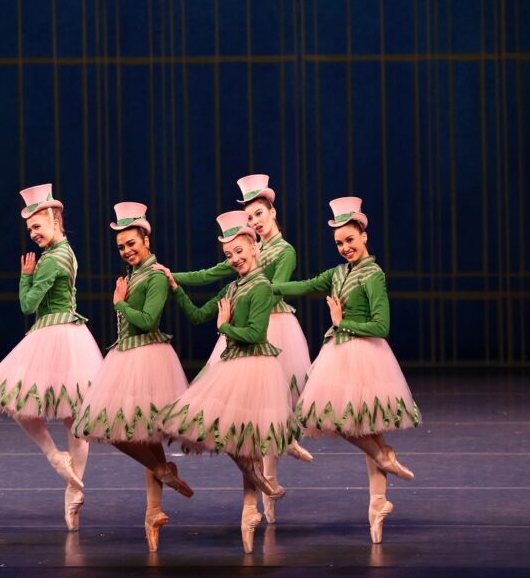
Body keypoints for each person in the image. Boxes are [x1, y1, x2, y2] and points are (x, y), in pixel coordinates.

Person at [272, 197, 421, 544]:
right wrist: (268, 284)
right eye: (339, 243)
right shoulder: (337, 273)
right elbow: (306, 286)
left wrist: (343, 323)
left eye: (350, 240)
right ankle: (384, 462)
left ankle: (378, 499)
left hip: (366, 355)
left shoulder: (373, 274)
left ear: (364, 236)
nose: (345, 248)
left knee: (353, 422)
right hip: (339, 354)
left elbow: (381, 325)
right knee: (343, 422)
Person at [168, 174, 313, 523]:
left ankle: (285, 440)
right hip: (239, 321)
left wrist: (250, 291)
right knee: (239, 407)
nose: (254, 222)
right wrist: (171, 277)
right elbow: (208, 274)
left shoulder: (283, 250)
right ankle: (259, 488)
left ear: (272, 212)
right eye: (249, 218)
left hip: (272, 324)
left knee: (274, 394)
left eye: (259, 214)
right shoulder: (244, 248)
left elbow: (277, 288)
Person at [0, 183, 103, 531]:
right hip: (71, 335)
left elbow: (28, 306)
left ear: (55, 219)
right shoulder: (68, 252)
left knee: (22, 405)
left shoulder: (50, 261)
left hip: (52, 333)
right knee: (74, 418)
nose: (33, 234)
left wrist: (24, 277)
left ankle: (58, 462)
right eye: (29, 229)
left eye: (37, 227)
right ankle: (73, 489)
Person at [72, 202, 193, 552]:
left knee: (111, 428)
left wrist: (119, 304)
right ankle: (155, 506)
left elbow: (148, 319)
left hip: (148, 357)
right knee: (141, 432)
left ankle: (160, 471)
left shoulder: (154, 276)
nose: (126, 250)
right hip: (126, 355)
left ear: (146, 240)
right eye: (121, 246)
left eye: (131, 243)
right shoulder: (134, 275)